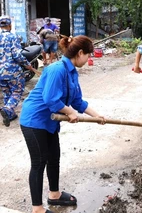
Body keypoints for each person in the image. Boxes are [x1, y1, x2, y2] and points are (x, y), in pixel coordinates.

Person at [20, 35, 106, 213]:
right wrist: (69, 112)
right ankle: (37, 209)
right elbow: (50, 99)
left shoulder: (72, 71)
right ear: (80, 53)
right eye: (88, 55)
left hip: (50, 122)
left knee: (54, 158)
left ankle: (55, 195)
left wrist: (97, 116)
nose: (89, 58)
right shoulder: (56, 69)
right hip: (34, 120)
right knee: (39, 162)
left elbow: (77, 101)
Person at [0, 15, 40, 127]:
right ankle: (7, 109)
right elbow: (17, 55)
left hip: (0, 72)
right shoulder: (13, 37)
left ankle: (10, 115)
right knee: (17, 90)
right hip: (12, 71)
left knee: (7, 92)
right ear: (10, 25)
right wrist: (28, 65)